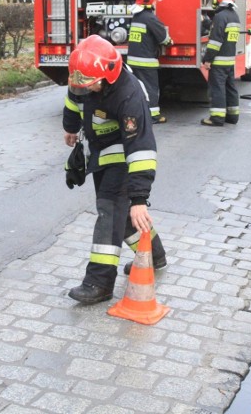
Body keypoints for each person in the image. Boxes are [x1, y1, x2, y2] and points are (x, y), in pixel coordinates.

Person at [63, 35, 167, 304]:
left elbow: (141, 150)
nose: (84, 90)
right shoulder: (84, 78)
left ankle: (99, 283)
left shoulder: (129, 96)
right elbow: (74, 99)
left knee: (109, 210)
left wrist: (139, 199)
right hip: (101, 152)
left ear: (108, 75)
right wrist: (71, 126)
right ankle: (154, 255)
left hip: (124, 153)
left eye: (90, 86)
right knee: (118, 215)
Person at [126, 0, 172, 124]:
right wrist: (169, 41)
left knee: (138, 89)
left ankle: (139, 112)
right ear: (150, 2)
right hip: (146, 62)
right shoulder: (150, 18)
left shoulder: (136, 17)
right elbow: (163, 38)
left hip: (133, 61)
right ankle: (153, 115)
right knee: (151, 89)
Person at [201, 0, 241, 126]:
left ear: (218, 0)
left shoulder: (220, 16)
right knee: (231, 88)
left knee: (217, 89)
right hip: (229, 60)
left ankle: (217, 118)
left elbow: (215, 42)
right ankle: (232, 116)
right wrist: (206, 22)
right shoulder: (234, 16)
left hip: (218, 61)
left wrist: (207, 59)